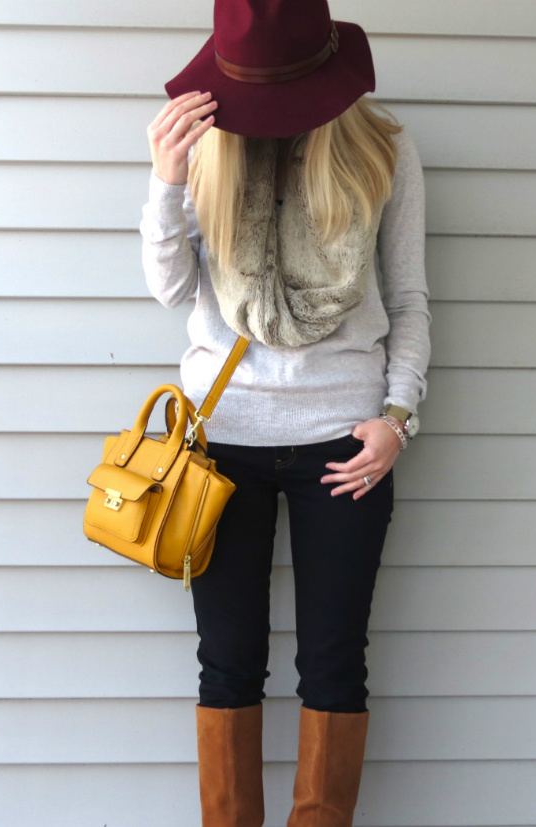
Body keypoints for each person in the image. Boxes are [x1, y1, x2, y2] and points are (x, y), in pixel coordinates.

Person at [139, 0, 431, 824]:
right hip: (217, 447)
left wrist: (396, 415)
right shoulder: (202, 145)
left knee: (334, 663)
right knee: (226, 663)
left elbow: (409, 299)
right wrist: (166, 182)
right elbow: (168, 289)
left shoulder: (385, 149)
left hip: (346, 445)